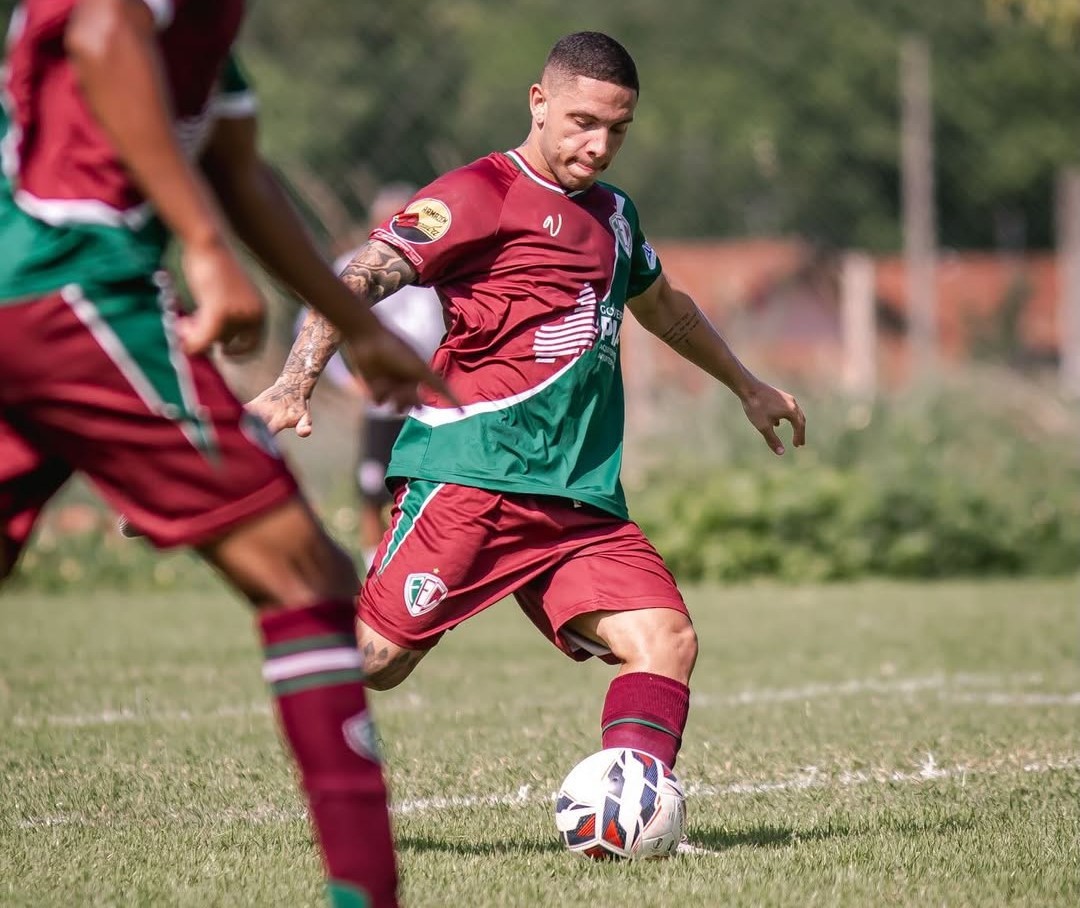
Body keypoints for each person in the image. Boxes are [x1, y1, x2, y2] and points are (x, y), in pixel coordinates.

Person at [250, 31, 806, 777]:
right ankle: (282, 600)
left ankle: (630, 804)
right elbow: (360, 277)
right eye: (584, 121)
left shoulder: (614, 215)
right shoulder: (479, 194)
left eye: (618, 129)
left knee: (665, 639)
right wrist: (294, 381)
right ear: (539, 103)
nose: (601, 144)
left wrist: (748, 385)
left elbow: (666, 308)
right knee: (378, 661)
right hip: (471, 476)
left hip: (577, 497)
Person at [0, 3, 450, 906]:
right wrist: (202, 246)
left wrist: (359, 330)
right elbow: (101, 29)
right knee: (303, 573)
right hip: (73, 291)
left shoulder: (215, 41)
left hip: (29, 299)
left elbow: (242, 178)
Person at [293, 185, 445, 569]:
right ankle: (374, 567)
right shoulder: (354, 268)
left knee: (429, 491)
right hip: (381, 405)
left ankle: (423, 565)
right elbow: (311, 324)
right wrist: (347, 379)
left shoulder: (439, 271)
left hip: (432, 405)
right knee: (372, 490)